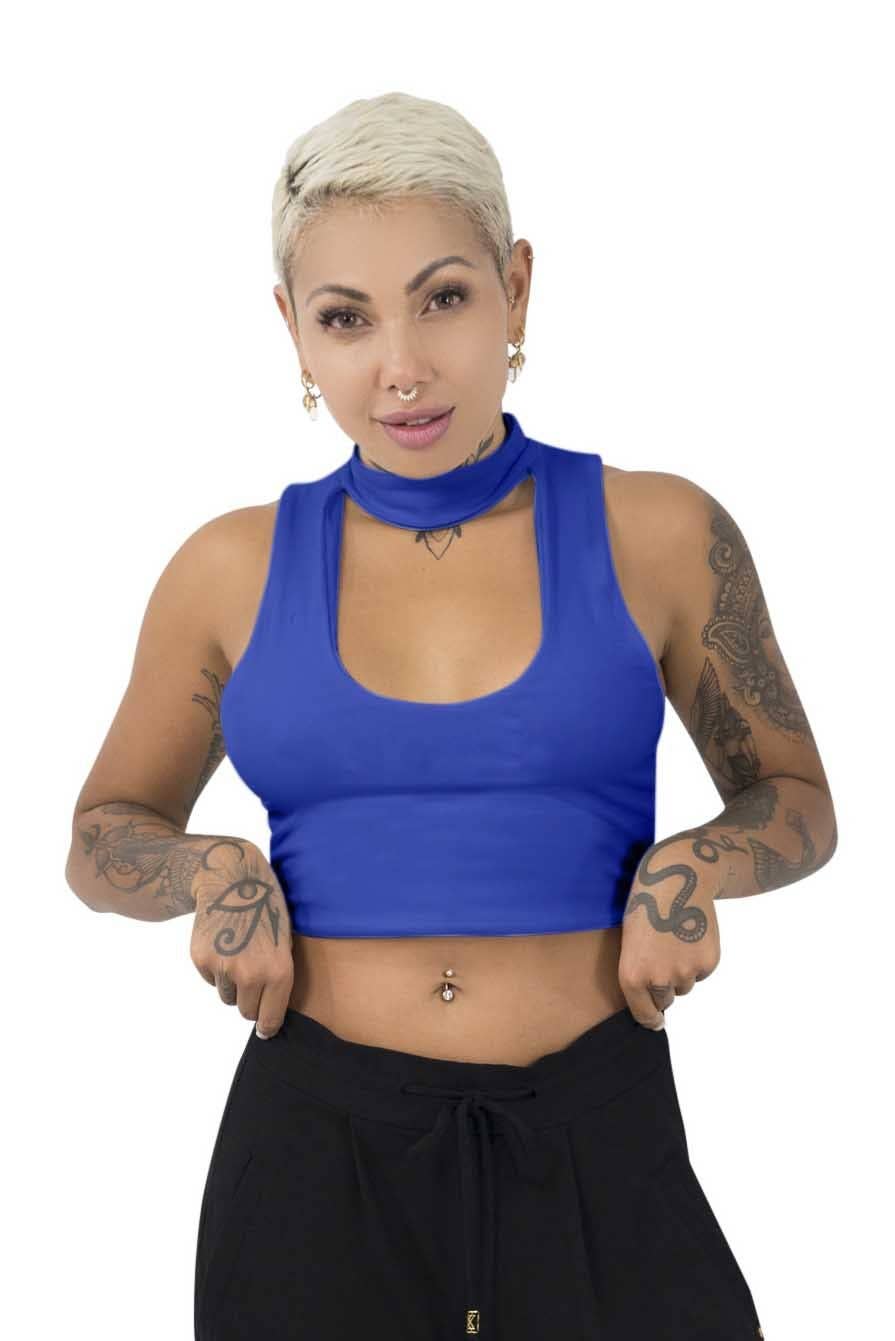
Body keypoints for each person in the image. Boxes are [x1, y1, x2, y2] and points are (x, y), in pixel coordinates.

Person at [66, 91, 837, 1340]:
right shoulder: (227, 570)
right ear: (292, 330)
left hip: (595, 1136)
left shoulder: (659, 534)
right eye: (345, 318)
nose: (402, 368)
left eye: (442, 298)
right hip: (316, 1166)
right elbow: (104, 829)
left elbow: (795, 799)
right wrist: (210, 870)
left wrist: (693, 864)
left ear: (515, 291)